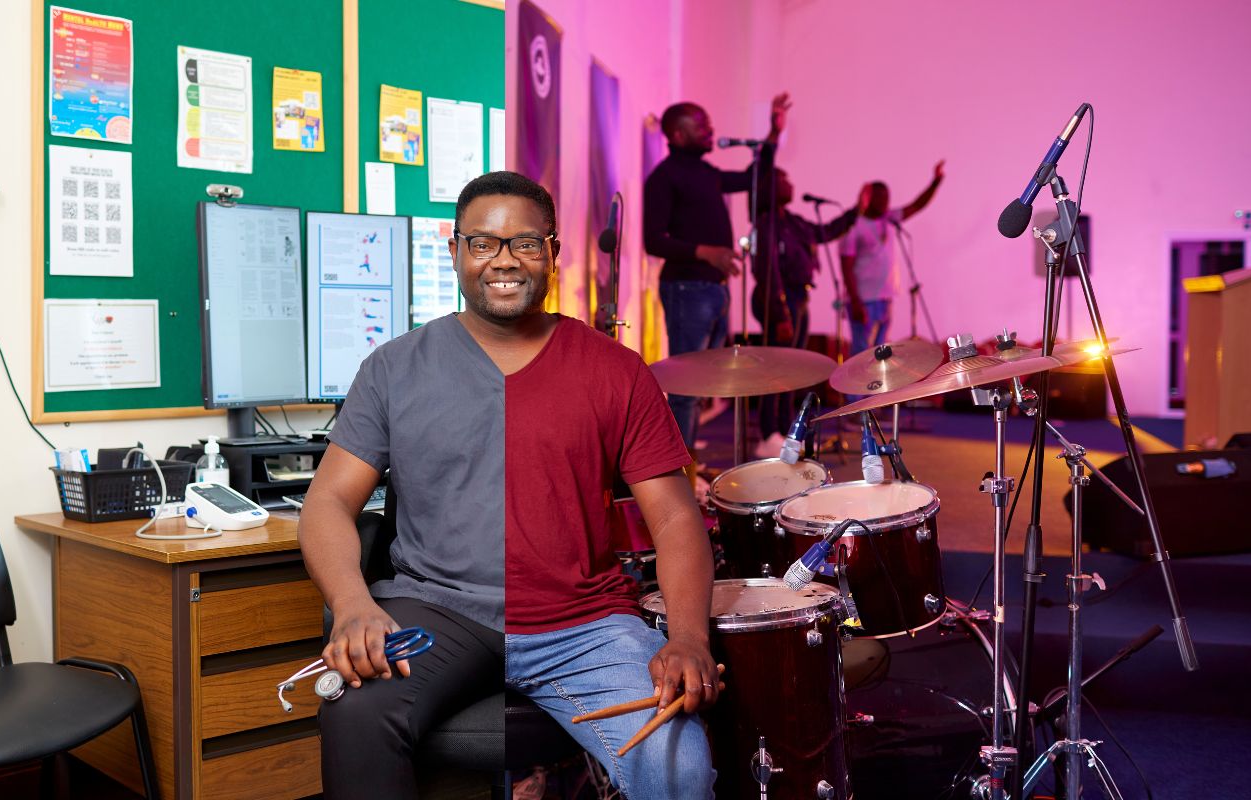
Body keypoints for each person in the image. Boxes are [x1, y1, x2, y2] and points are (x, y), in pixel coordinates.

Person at [299, 171, 719, 799]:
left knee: (678, 765)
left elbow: (676, 518)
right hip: (439, 609)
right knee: (355, 713)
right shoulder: (394, 367)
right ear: (455, 252)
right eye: (483, 244)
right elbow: (329, 500)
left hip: (583, 622)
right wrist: (355, 605)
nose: (503, 261)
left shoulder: (615, 370)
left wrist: (688, 636)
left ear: (553, 252)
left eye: (525, 244)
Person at [644, 93, 791, 451]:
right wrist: (705, 252)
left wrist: (772, 134)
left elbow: (752, 179)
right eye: (701, 125)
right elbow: (653, 241)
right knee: (687, 386)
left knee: (704, 384)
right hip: (686, 290)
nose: (711, 130)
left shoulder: (706, 173)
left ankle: (688, 463)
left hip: (714, 289)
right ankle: (679, 470)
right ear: (677, 134)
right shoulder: (664, 177)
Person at [751, 167, 859, 455]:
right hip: (780, 300)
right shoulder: (766, 223)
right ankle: (767, 433)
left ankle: (786, 429)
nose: (791, 182)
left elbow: (823, 233)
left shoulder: (793, 222)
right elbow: (768, 269)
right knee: (775, 370)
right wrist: (780, 310)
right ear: (771, 187)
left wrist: (853, 212)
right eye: (784, 179)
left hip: (799, 297)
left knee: (790, 369)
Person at [840, 161, 945, 355]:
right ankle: (857, 386)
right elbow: (846, 266)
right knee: (862, 353)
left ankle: (878, 385)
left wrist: (935, 182)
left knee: (881, 352)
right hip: (863, 300)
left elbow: (916, 205)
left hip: (885, 297)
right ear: (868, 198)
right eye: (880, 198)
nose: (885, 203)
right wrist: (855, 301)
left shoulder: (889, 218)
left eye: (887, 198)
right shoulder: (853, 225)